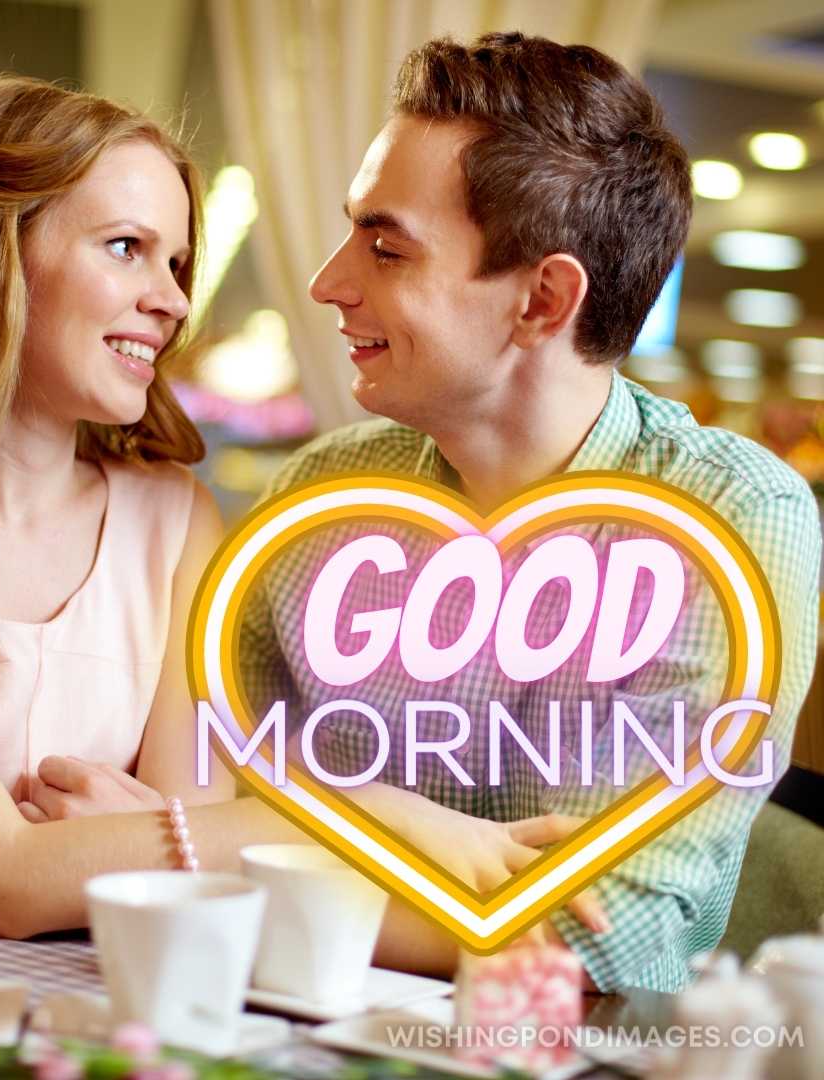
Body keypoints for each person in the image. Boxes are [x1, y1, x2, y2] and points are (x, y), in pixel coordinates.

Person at [0, 75, 601, 967]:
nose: (175, 301)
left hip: (76, 1009)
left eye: (177, 264)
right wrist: (368, 813)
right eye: (126, 248)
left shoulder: (175, 521)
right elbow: (10, 873)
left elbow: (179, 874)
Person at [237, 33, 822, 992]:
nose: (328, 284)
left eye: (385, 246)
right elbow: (209, 790)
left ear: (543, 299)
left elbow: (594, 938)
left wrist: (258, 846)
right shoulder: (317, 499)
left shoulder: (724, 517)